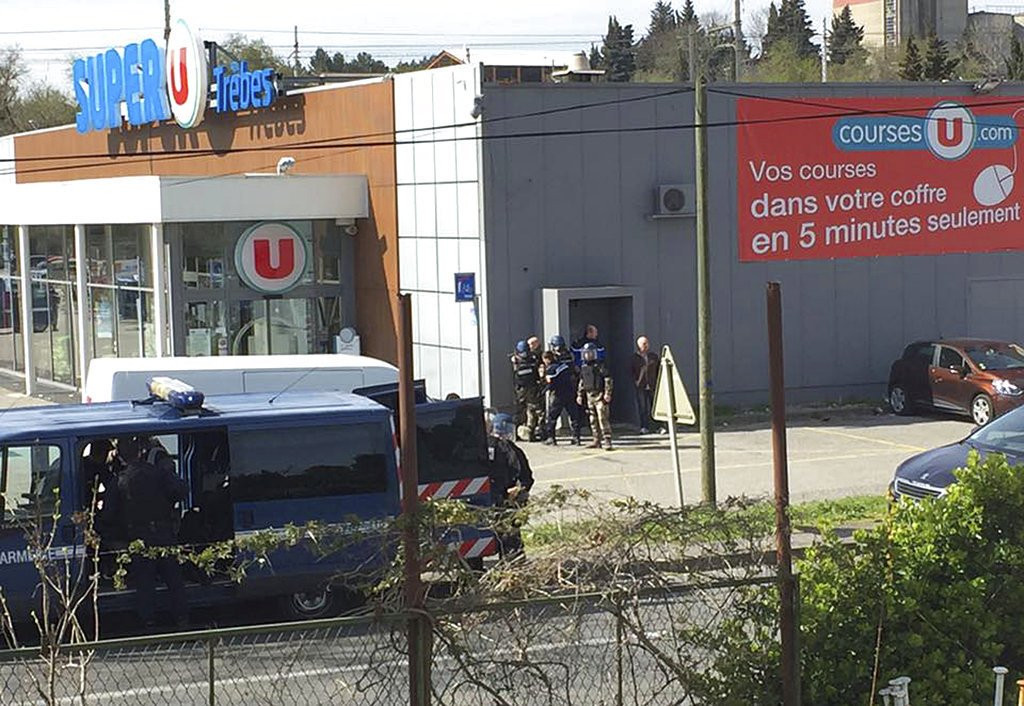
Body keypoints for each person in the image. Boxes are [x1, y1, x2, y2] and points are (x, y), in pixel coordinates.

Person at [116, 435, 189, 629]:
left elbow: (110, 514)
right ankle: (182, 620)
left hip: (139, 537)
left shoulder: (121, 481)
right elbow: (181, 490)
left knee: (144, 581)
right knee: (174, 578)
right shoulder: (158, 473)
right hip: (164, 532)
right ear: (141, 452)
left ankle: (149, 623)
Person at [486, 412, 534, 558]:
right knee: (510, 538)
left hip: (484, 499)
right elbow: (525, 475)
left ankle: (475, 569)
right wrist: (519, 490)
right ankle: (513, 566)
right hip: (506, 501)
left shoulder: (481, 445)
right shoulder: (511, 449)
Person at [577, 342, 614, 450]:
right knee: (592, 419)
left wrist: (607, 393)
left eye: (590, 353)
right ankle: (596, 440)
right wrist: (579, 395)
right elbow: (582, 382)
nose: (588, 355)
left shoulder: (600, 366)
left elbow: (608, 379)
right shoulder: (584, 367)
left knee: (603, 418)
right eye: (586, 353)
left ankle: (607, 440)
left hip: (600, 395)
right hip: (589, 396)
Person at [542, 349, 581, 445]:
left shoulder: (551, 369)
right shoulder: (564, 366)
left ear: (547, 359)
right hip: (570, 393)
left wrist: (543, 389)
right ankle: (576, 438)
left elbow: (550, 383)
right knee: (573, 416)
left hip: (558, 395)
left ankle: (551, 438)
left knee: (552, 417)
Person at [511, 340, 544, 441]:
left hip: (521, 389)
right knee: (534, 411)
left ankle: (517, 434)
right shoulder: (532, 358)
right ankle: (532, 434)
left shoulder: (516, 359)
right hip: (531, 388)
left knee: (521, 411)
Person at [631, 335, 664, 434]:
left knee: (655, 407)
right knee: (643, 407)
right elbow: (631, 372)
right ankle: (644, 427)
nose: (646, 345)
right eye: (644, 344)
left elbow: (658, 369)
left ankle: (659, 427)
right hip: (641, 386)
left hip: (653, 385)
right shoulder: (634, 358)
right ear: (639, 345)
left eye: (647, 343)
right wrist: (636, 381)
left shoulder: (653, 357)